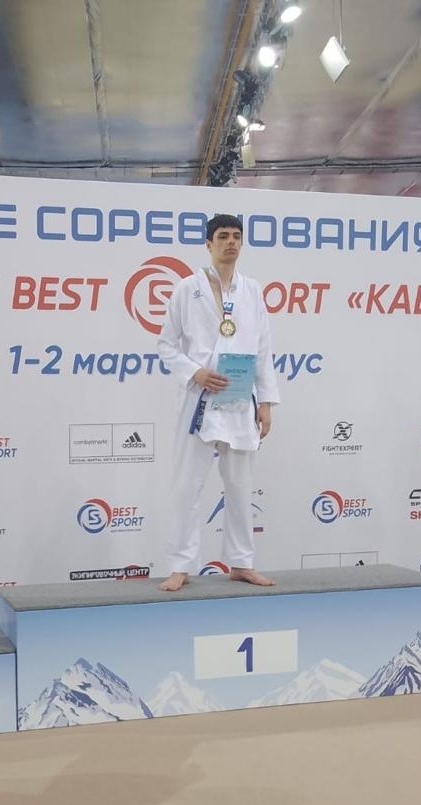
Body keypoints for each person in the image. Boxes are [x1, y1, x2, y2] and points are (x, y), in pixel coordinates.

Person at [157, 214, 280, 591]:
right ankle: (181, 565)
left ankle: (242, 562)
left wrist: (266, 401)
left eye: (237, 236)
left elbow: (263, 348)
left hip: (240, 397)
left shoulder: (252, 290)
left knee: (240, 486)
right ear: (208, 244)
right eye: (223, 236)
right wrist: (194, 372)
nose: (231, 242)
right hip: (200, 398)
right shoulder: (187, 289)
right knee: (187, 486)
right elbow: (166, 344)